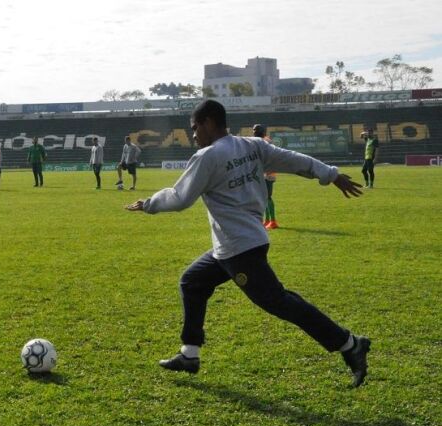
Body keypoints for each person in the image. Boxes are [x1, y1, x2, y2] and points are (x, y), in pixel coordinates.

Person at [125, 100, 370, 388]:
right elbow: (293, 159)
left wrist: (149, 204)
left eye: (194, 128)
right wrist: (330, 174)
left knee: (279, 302)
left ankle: (349, 343)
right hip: (237, 244)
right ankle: (189, 355)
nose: (193, 135)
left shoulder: (208, 156)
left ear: (208, 123)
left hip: (239, 248)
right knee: (192, 282)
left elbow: (180, 197)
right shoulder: (252, 146)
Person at [253, 124, 278, 229]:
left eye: (255, 130)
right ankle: (267, 220)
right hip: (263, 173)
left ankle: (273, 221)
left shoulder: (266, 142)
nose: (253, 132)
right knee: (264, 197)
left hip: (268, 173)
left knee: (268, 197)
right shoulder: (261, 141)